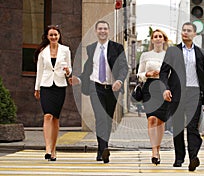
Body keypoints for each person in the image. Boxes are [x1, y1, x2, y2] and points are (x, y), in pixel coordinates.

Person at [70, 20, 128, 163]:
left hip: (112, 88)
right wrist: (79, 79)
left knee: (107, 119)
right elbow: (88, 70)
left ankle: (103, 147)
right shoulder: (91, 48)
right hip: (95, 87)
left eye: (105, 29)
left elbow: (124, 67)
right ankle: (102, 150)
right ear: (96, 31)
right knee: (101, 117)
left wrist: (119, 81)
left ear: (108, 31)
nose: (102, 31)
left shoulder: (117, 48)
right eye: (100, 29)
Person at [160, 22, 204, 171]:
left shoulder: (200, 53)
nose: (185, 33)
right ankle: (179, 157)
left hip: (194, 93)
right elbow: (163, 72)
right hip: (177, 93)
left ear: (194, 34)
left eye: (189, 31)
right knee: (177, 127)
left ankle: (193, 157)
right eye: (183, 30)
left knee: (192, 126)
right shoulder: (172, 51)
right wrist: (165, 89)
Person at [34, 25, 72, 161]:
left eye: (56, 35)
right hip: (46, 85)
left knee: (55, 118)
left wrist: (68, 71)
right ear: (47, 37)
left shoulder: (65, 50)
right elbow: (39, 70)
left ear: (59, 36)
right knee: (47, 116)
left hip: (60, 86)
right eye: (51, 35)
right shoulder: (42, 52)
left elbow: (69, 70)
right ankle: (48, 148)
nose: (54, 37)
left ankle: (54, 150)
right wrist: (37, 88)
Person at [137, 29, 170, 165]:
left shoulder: (169, 55)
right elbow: (139, 74)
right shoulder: (145, 55)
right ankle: (154, 151)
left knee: (160, 121)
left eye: (160, 36)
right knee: (151, 119)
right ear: (152, 40)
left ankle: (158, 147)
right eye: (155, 36)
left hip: (163, 88)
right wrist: (148, 74)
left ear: (164, 40)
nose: (157, 39)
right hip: (149, 88)